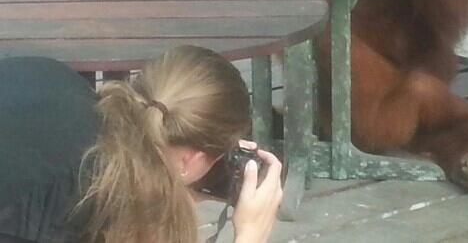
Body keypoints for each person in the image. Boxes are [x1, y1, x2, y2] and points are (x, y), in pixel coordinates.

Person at [0, 45, 282, 243]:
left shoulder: (55, 77)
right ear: (189, 161)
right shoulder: (85, 197)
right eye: (220, 157)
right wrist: (250, 235)